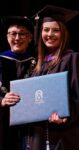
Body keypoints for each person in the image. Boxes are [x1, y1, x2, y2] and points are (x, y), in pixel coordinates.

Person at [25, 5, 79, 150]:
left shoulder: (74, 59)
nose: (50, 34)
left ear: (64, 33)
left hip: (59, 135)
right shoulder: (38, 66)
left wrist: (65, 116)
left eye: (56, 30)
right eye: (46, 29)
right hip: (37, 135)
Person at [0, 16, 36, 150]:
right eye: (13, 33)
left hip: (30, 123)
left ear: (30, 38)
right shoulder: (0, 60)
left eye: (22, 34)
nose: (17, 38)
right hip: (3, 122)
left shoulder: (37, 64)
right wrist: (1, 101)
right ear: (7, 36)